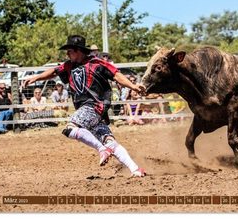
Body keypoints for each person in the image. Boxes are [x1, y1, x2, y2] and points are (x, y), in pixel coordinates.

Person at [23, 35, 146, 177]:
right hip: (92, 111)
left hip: (93, 105)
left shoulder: (98, 64)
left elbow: (117, 75)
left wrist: (133, 86)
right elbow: (54, 71)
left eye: (69, 51)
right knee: (109, 141)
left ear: (78, 51)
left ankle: (102, 149)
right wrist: (35, 77)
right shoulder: (69, 66)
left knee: (70, 128)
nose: (67, 54)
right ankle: (136, 169)